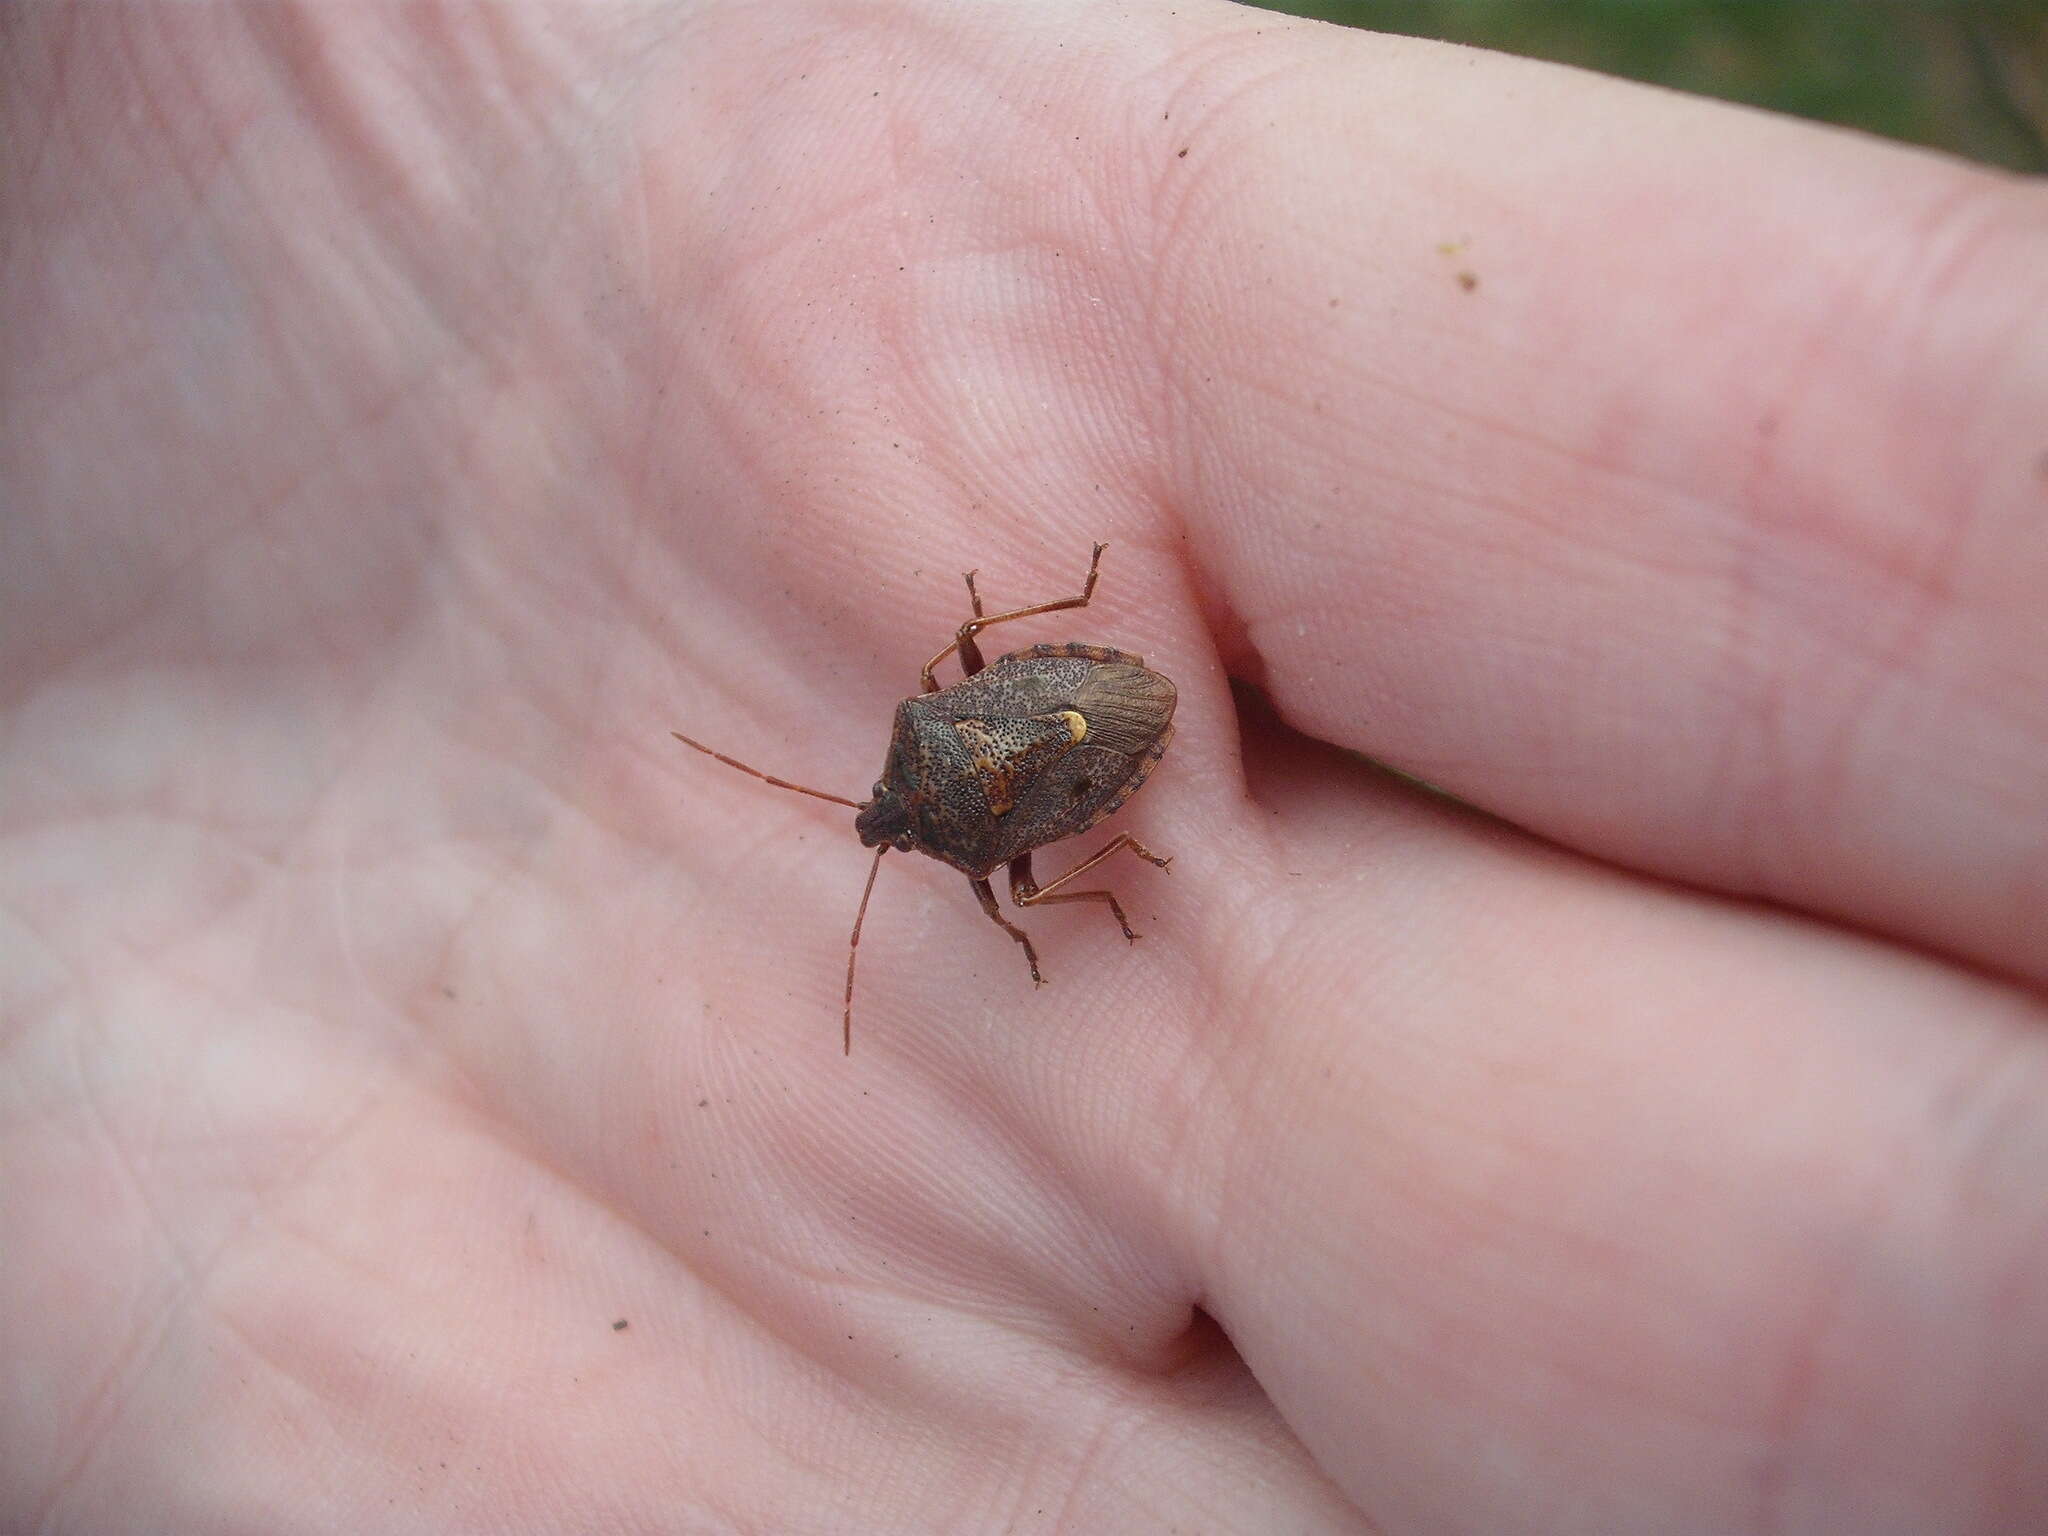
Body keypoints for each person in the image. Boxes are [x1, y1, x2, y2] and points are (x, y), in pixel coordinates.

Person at [4, 3, 2043, 1530]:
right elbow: (1010, 690)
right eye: (919, 824)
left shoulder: (962, 802)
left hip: (1103, 701)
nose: (907, 818)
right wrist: (1064, 687)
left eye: (907, 812)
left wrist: (1089, 850)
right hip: (1089, 685)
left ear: (927, 797)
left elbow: (1041, 749)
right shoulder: (939, 739)